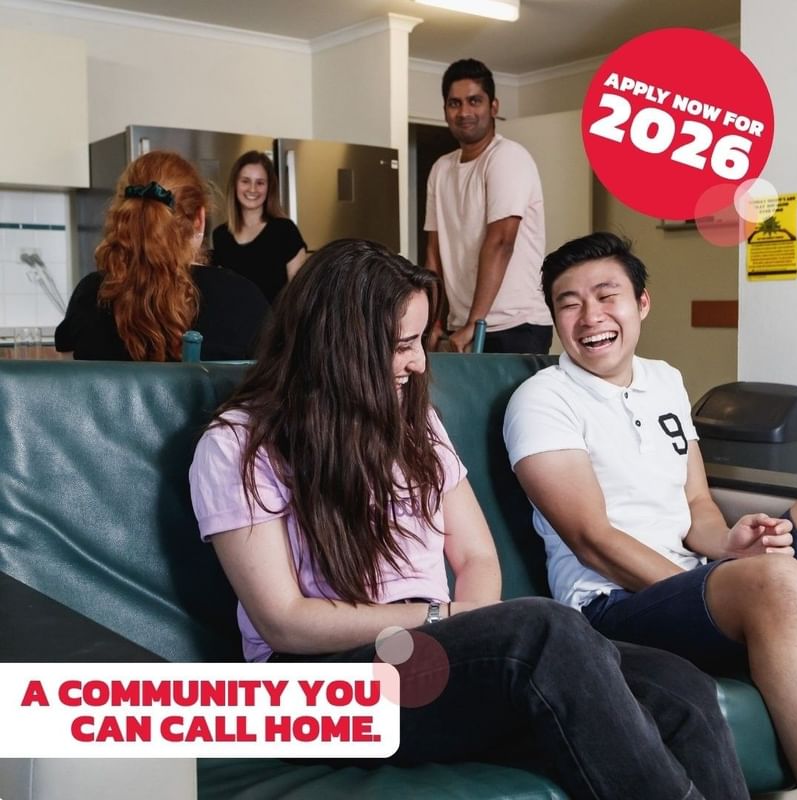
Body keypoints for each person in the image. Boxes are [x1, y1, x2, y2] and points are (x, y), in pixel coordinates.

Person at [189, 237, 748, 799]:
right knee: (544, 629)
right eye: (401, 344)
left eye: (420, 341)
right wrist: (444, 616)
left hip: (429, 654)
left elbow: (476, 554)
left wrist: (468, 619)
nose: (417, 361)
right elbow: (283, 620)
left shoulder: (414, 421)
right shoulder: (239, 444)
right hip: (327, 684)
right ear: (342, 344)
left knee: (678, 687)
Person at [503, 231, 797, 781]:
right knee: (777, 581)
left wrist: (730, 545)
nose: (590, 316)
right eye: (569, 303)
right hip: (610, 606)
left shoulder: (665, 380)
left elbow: (695, 502)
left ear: (641, 303)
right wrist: (719, 588)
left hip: (690, 577)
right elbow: (593, 540)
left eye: (606, 295)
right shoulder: (543, 399)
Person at [55, 150, 268, 361]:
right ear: (199, 220)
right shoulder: (244, 298)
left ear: (124, 217)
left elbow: (70, 386)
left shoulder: (90, 295)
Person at [424, 58, 551, 354]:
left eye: (474, 101)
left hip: (515, 325)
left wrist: (474, 323)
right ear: (445, 110)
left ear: (493, 107)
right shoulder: (441, 169)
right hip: (463, 325)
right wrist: (433, 321)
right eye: (454, 103)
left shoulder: (507, 157)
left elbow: (501, 242)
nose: (464, 112)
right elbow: (433, 254)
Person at [212, 150, 307, 306]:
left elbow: (301, 294)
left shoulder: (285, 231)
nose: (252, 189)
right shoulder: (221, 236)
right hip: (235, 328)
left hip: (274, 329)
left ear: (269, 188)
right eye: (245, 181)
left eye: (260, 182)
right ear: (235, 184)